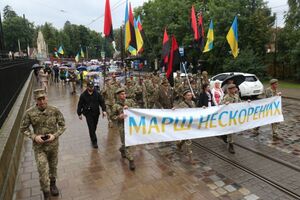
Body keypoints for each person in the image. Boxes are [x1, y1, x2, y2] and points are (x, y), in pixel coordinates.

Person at [20, 89, 66, 200]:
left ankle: (53, 184)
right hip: (39, 147)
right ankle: (46, 192)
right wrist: (34, 137)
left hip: (53, 145)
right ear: (35, 100)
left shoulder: (55, 110)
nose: (41, 101)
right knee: (42, 170)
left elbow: (62, 125)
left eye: (43, 98)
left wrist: (54, 135)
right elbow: (23, 128)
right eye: (39, 99)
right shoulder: (30, 113)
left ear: (47, 98)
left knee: (53, 166)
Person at [111, 88, 136, 170]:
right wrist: (119, 117)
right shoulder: (115, 105)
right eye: (122, 94)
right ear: (118, 96)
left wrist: (130, 108)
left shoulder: (130, 102)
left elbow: (137, 109)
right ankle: (131, 160)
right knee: (127, 142)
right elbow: (112, 117)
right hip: (122, 126)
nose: (124, 95)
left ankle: (122, 149)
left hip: (131, 125)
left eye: (124, 94)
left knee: (127, 142)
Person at [77, 81, 107, 148]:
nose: (91, 88)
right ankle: (94, 142)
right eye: (90, 87)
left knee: (94, 126)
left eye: (92, 87)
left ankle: (92, 134)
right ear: (87, 87)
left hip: (96, 113)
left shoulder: (97, 94)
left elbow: (102, 102)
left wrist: (104, 110)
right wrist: (79, 113)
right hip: (88, 113)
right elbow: (80, 105)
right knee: (91, 127)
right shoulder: (83, 95)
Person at [174, 89, 196, 164]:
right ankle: (191, 157)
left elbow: (196, 111)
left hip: (191, 124)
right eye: (188, 95)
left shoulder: (193, 103)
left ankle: (179, 144)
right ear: (184, 96)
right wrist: (174, 109)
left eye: (190, 95)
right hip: (185, 124)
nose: (190, 96)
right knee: (189, 140)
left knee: (186, 138)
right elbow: (176, 111)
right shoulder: (181, 104)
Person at [221, 83, 242, 154]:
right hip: (228, 117)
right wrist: (225, 103)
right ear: (229, 90)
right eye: (233, 89)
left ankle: (224, 135)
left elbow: (240, 102)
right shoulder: (226, 97)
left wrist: (247, 103)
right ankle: (231, 145)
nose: (235, 89)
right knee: (230, 130)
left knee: (231, 130)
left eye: (235, 88)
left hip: (235, 115)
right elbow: (220, 104)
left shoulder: (236, 96)